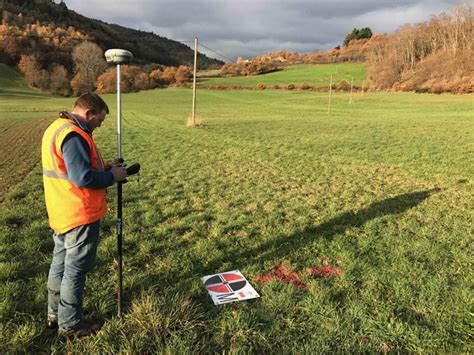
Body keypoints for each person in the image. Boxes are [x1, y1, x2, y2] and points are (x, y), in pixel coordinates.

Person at [41, 92, 127, 337]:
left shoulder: (57, 127)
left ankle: (54, 315)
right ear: (88, 113)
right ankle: (70, 325)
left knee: (59, 264)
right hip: (79, 213)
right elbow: (83, 178)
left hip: (61, 210)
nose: (97, 126)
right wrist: (113, 177)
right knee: (75, 270)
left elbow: (74, 169)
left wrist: (105, 168)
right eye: (98, 121)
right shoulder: (74, 135)